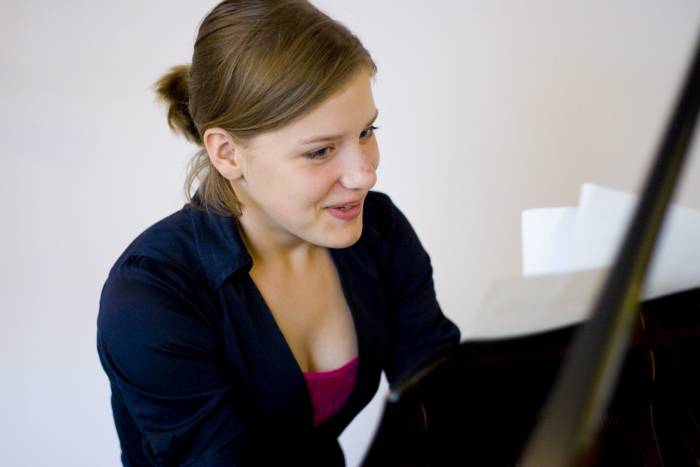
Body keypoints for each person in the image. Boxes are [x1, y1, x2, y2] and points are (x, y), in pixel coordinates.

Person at [96, 1, 461, 465]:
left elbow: (438, 392)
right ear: (227, 153)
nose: (364, 174)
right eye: (321, 151)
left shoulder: (377, 230)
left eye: (367, 131)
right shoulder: (151, 295)